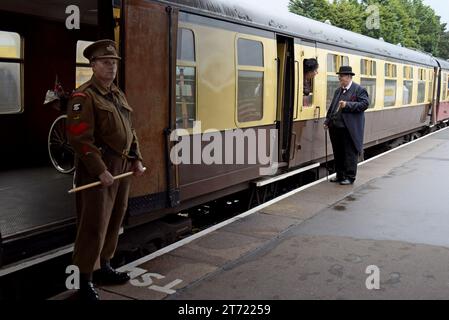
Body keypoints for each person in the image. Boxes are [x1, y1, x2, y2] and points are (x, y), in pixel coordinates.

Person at [66, 39, 145, 300]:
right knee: (94, 223)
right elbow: (79, 138)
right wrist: (99, 170)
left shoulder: (117, 93)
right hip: (98, 169)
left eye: (114, 63)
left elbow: (130, 130)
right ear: (93, 65)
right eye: (105, 63)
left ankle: (104, 265)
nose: (111, 67)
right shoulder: (83, 95)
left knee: (114, 218)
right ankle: (84, 278)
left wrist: (136, 158)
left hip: (121, 167)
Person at [324, 66, 369, 185]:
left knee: (349, 153)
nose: (340, 79)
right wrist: (327, 121)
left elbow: (364, 104)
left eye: (342, 77)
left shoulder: (359, 90)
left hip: (349, 128)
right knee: (338, 152)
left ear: (349, 77)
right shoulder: (338, 91)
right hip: (335, 128)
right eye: (339, 77)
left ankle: (350, 177)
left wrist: (347, 105)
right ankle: (340, 175)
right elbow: (332, 107)